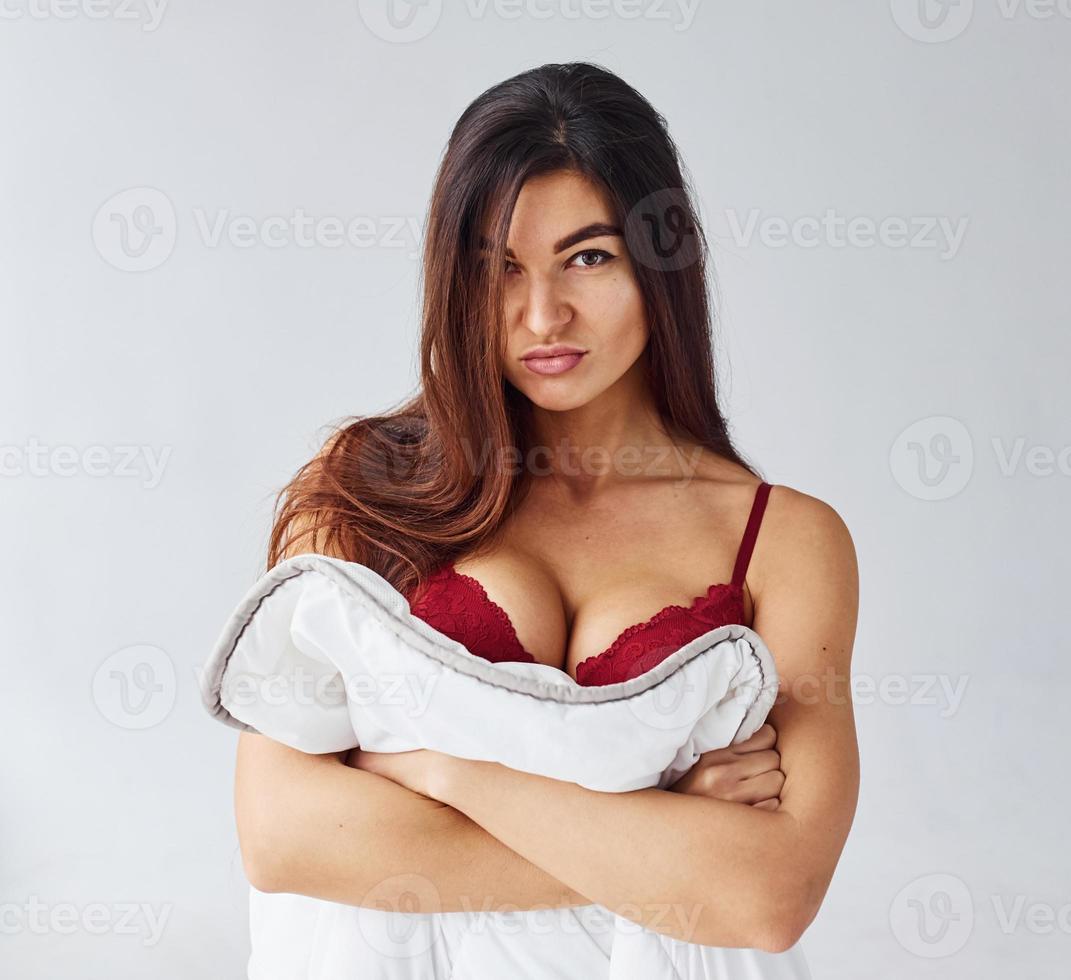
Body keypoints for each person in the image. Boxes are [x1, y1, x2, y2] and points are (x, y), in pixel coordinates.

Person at [232, 62, 860, 965]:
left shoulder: (787, 541)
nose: (542, 315)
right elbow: (281, 837)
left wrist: (435, 774)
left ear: (662, 264)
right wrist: (667, 832)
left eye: (589, 258)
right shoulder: (363, 491)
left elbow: (769, 896)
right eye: (499, 267)